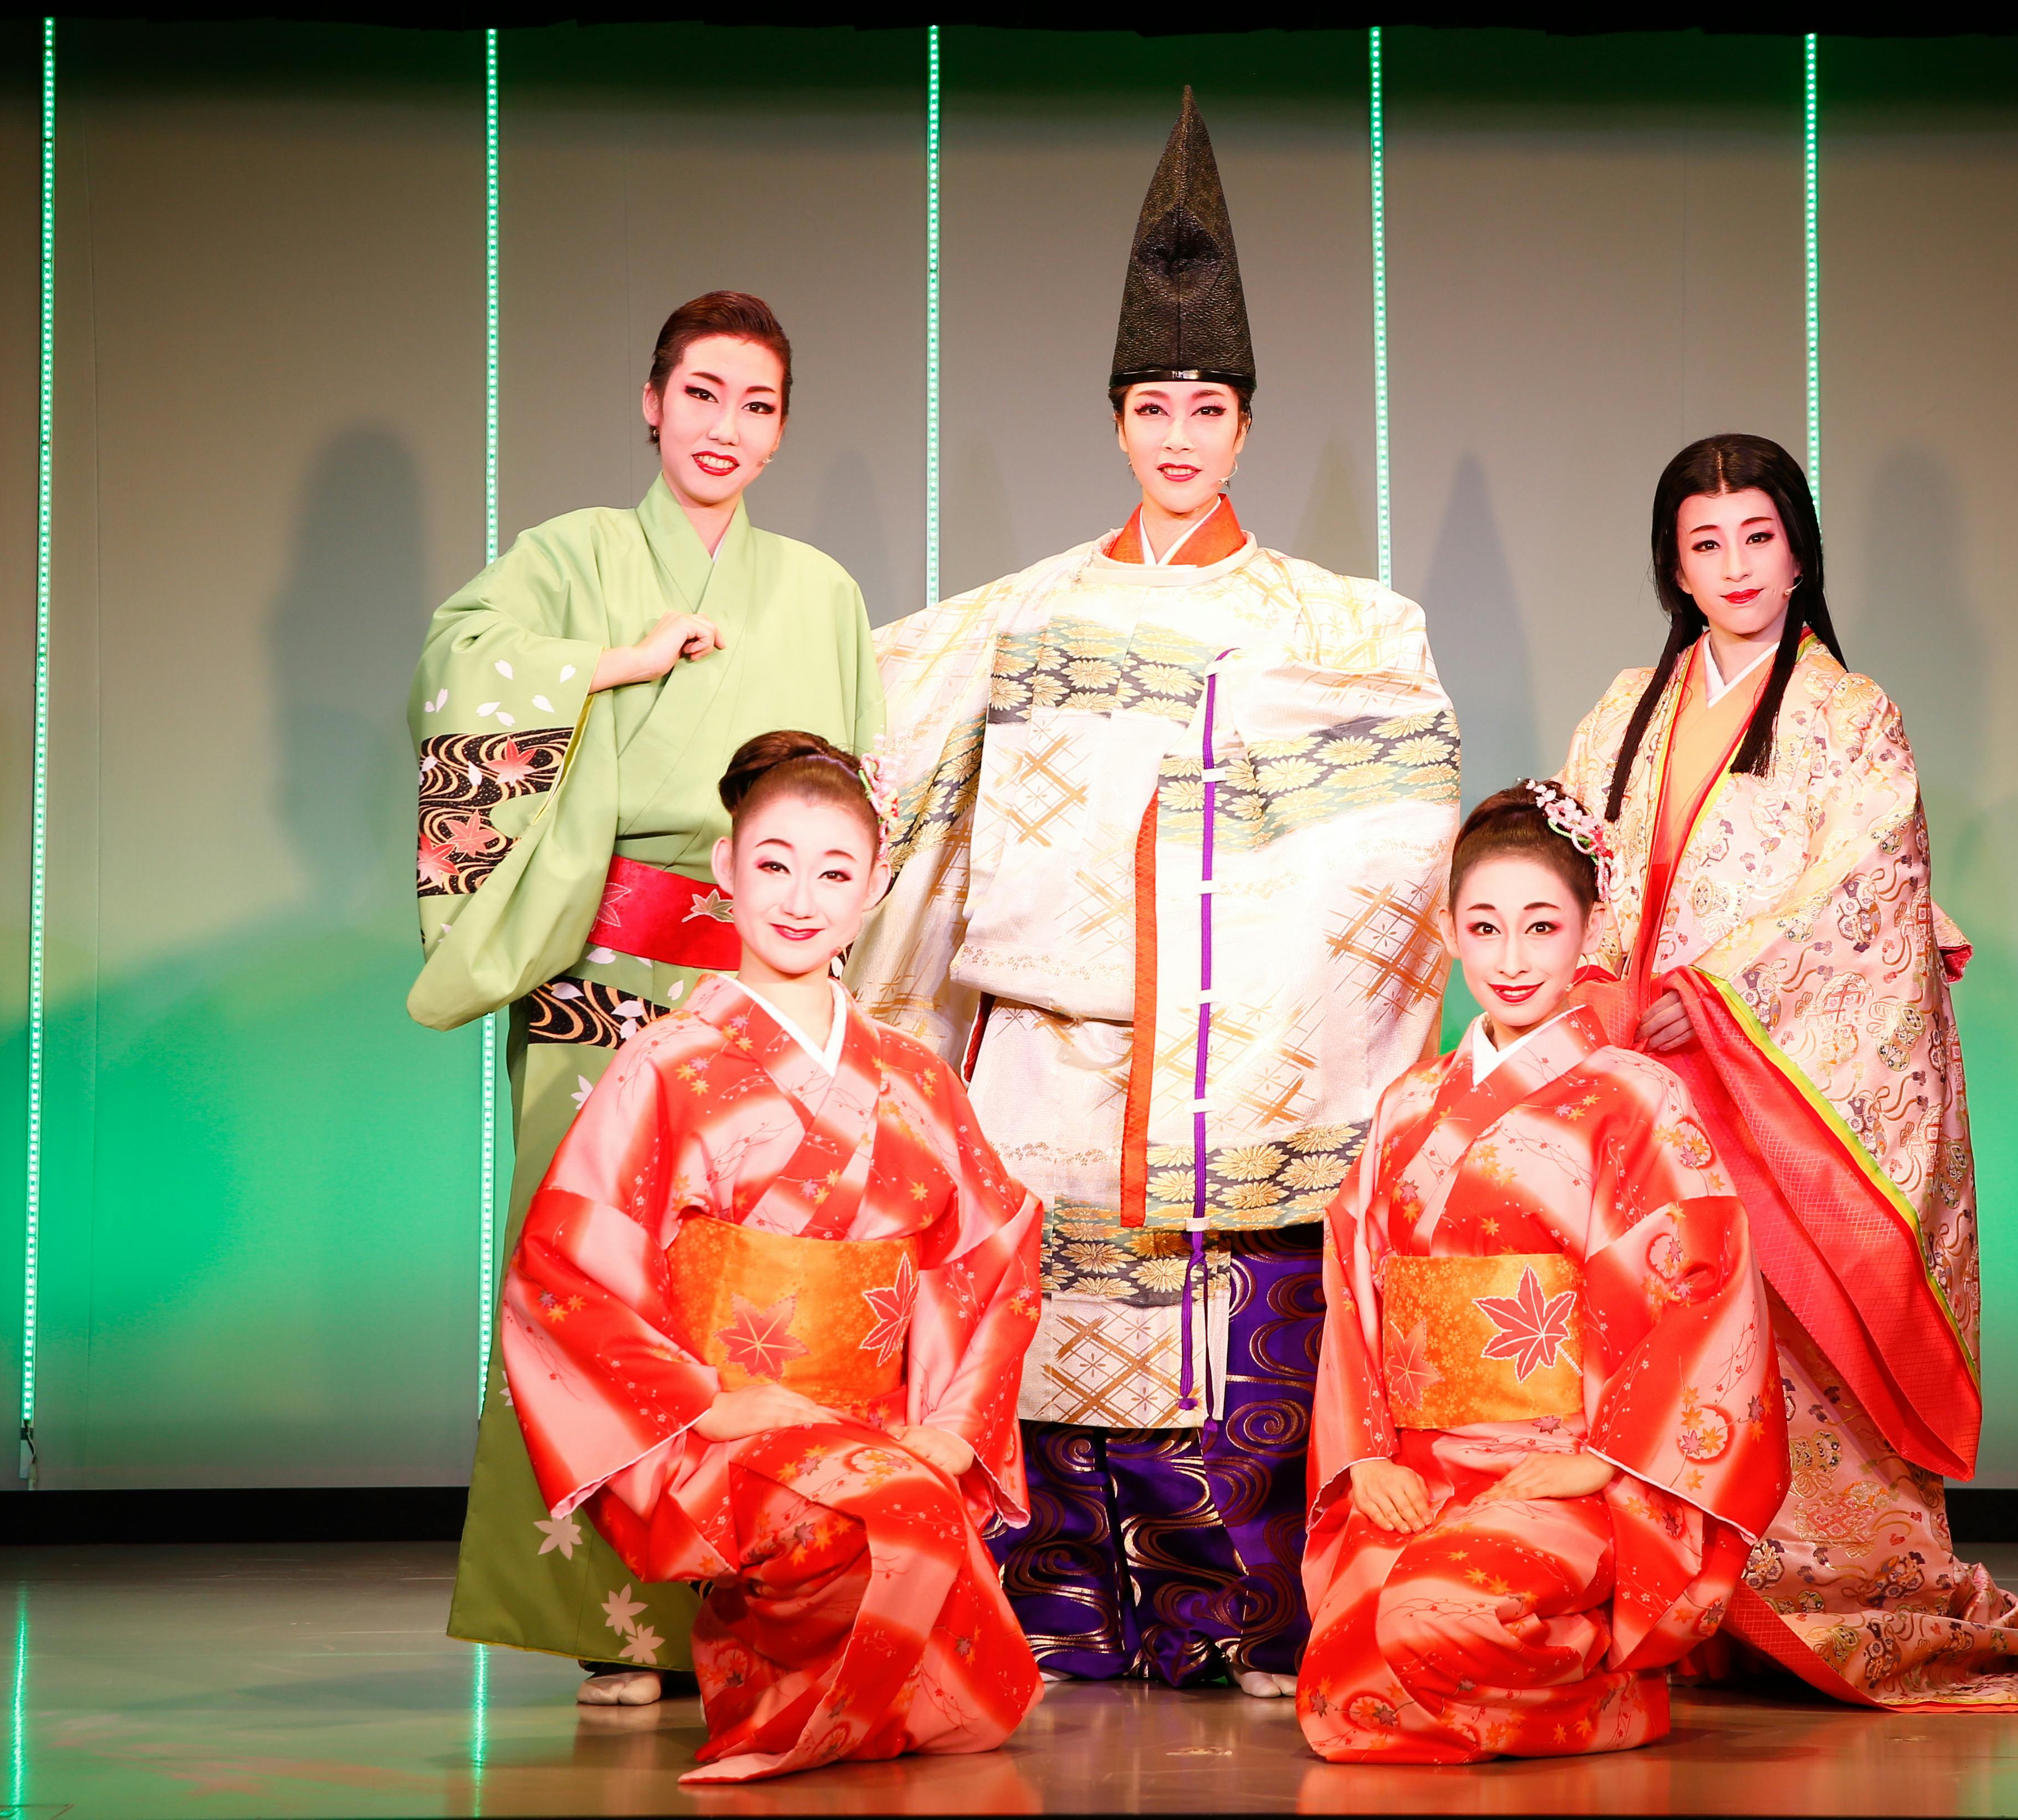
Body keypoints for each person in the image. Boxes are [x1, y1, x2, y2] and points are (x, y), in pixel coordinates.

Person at [845, 90, 1456, 1696]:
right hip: (1047, 1045)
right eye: (1153, 406)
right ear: (1116, 423)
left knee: (1224, 1352)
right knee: (1048, 1341)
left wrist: (1230, 884)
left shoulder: (1344, 625)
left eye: (1208, 407)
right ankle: (1053, 1609)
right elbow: (865, 734)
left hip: (1238, 1068)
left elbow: (1402, 826)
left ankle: (1235, 1613)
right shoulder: (1019, 615)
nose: (1180, 435)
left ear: (1246, 428)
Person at [1558, 433, 2018, 1710]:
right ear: (1673, 568)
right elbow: (1582, 868)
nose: (1736, 566)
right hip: (1648, 1081)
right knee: (1656, 1334)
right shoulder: (1623, 711)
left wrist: (1706, 1000)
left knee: (1796, 1352)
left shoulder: (1851, 716)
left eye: (1758, 537)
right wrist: (1599, 985)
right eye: (1705, 544)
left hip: (1776, 1087)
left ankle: (1821, 1586)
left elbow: (1862, 895)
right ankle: (1674, 1582)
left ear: (1799, 553)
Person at [409, 292, 886, 1704]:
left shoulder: (822, 593)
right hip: (602, 972)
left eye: (757, 405)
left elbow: (860, 796)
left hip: (760, 977)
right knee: (589, 1281)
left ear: (781, 430)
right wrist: (614, 663)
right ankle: (606, 1617)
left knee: (749, 1289)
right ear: (652, 401)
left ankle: (762, 1602)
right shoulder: (569, 558)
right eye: (702, 394)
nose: (725, 427)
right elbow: (459, 666)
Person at [501, 731, 1044, 1783]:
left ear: (875, 888)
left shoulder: (916, 1076)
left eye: (835, 872)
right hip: (728, 1422)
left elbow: (988, 1255)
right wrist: (705, 1398)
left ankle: (812, 1697)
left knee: (920, 1544)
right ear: (726, 869)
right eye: (774, 863)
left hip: (883, 1424)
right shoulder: (664, 1062)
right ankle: (790, 1696)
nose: (802, 899)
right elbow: (567, 1266)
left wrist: (949, 1424)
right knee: (897, 1519)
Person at [1295, 781, 1785, 1762]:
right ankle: (1563, 1683)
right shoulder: (1409, 1104)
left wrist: (1604, 1459)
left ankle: (1608, 1676)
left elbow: (1706, 1292)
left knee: (1431, 1621)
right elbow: (1355, 1289)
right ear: (1450, 933)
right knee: (1340, 1697)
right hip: (1424, 1465)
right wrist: (1371, 1455)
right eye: (1485, 927)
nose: (1512, 959)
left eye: (1542, 926)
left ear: (1588, 932)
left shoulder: (1636, 1097)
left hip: (1560, 1463)